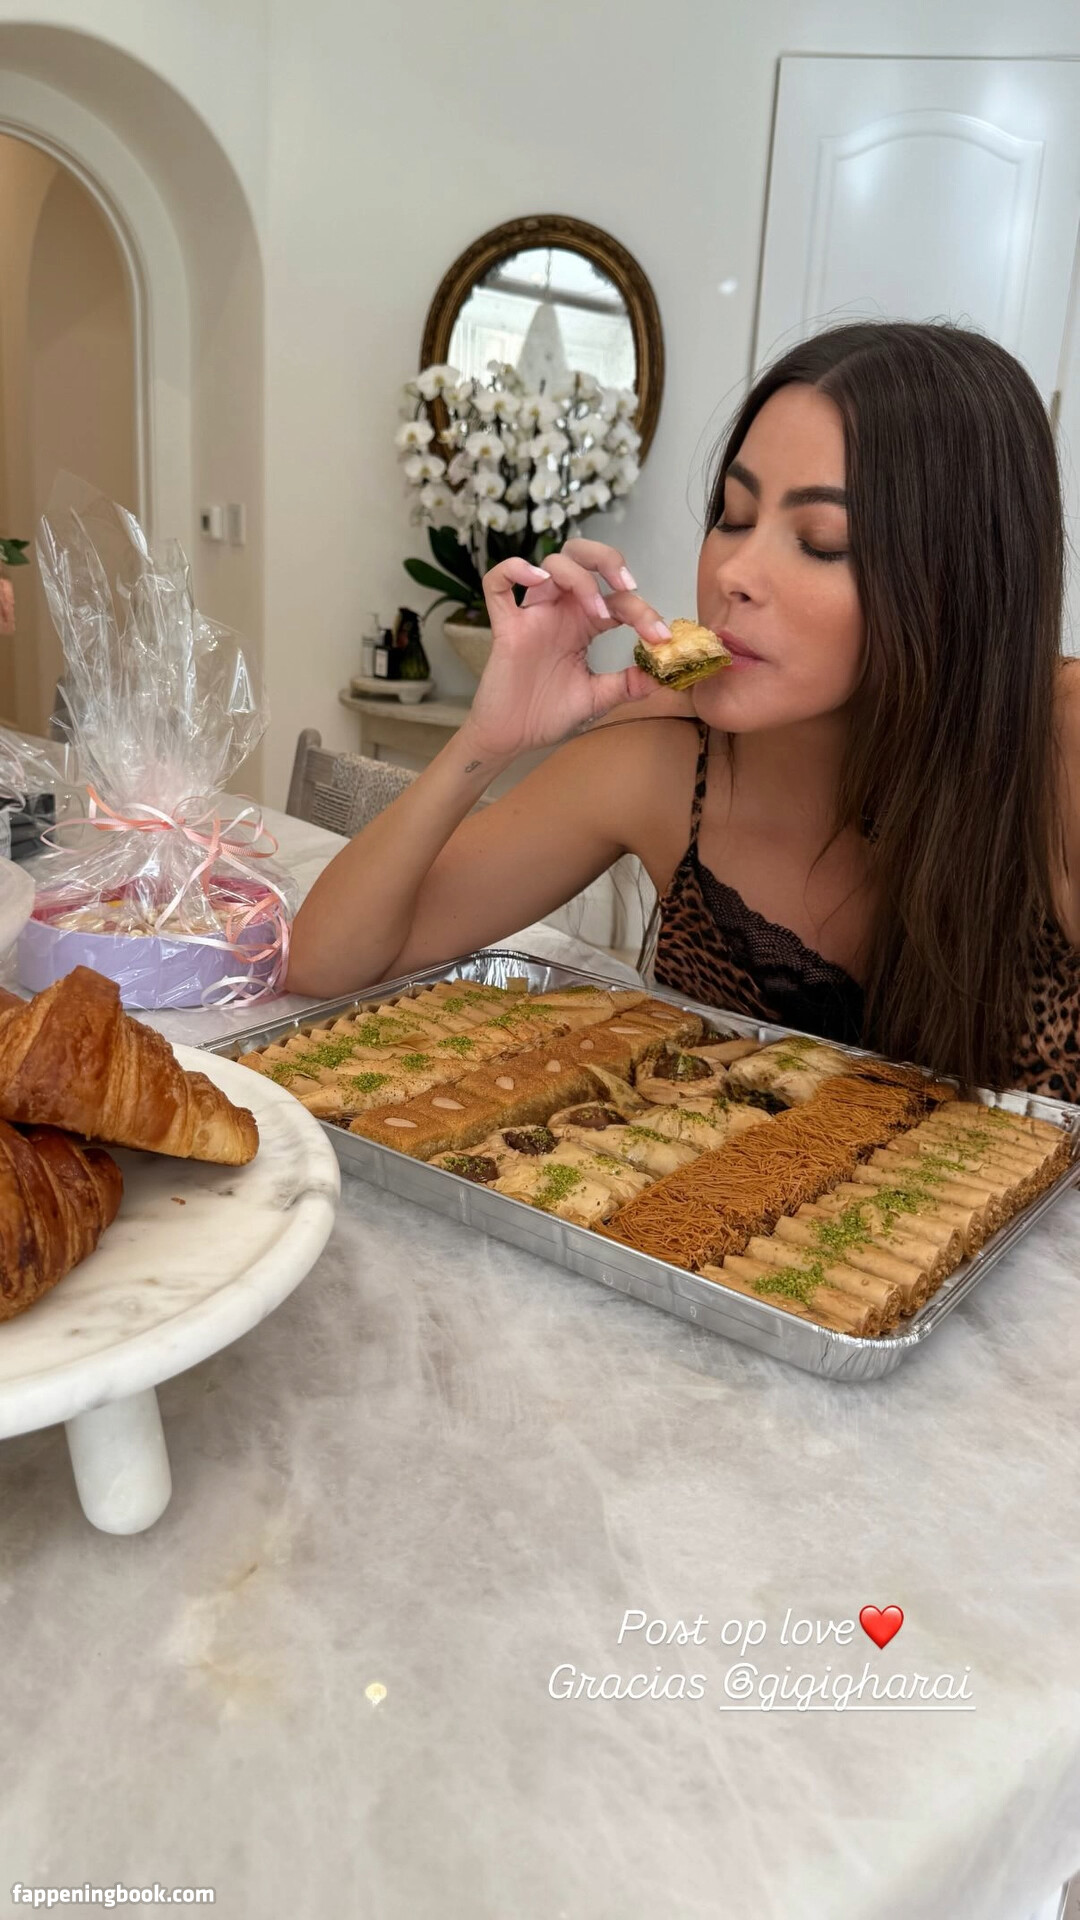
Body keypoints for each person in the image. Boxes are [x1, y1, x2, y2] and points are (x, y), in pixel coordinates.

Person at [288, 321, 1080, 1099]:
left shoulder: (1060, 745)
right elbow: (328, 963)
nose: (733, 572)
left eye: (821, 540)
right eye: (733, 517)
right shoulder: (667, 752)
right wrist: (488, 738)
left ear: (963, 581)